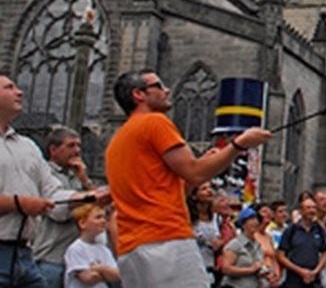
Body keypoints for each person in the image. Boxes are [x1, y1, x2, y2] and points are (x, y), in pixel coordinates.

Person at [105, 69, 271, 287]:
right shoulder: (154, 122)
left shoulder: (117, 142)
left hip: (132, 249)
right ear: (139, 94)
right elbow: (196, 172)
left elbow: (175, 188)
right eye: (159, 85)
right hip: (166, 241)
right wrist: (239, 145)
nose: (167, 90)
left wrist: (210, 160)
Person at [0, 75, 94, 287]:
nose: (20, 92)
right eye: (9, 87)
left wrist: (89, 196)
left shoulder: (27, 146)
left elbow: (52, 192)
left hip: (24, 254)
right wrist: (20, 203)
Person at [33, 126, 96, 288]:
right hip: (51, 258)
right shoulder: (45, 175)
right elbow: (59, 212)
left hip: (77, 260)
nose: (77, 151)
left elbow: (97, 209)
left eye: (79, 146)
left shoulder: (77, 175)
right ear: (53, 150)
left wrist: (85, 181)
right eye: (71, 145)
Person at [63, 203, 119, 288]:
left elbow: (117, 275)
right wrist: (107, 273)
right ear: (82, 223)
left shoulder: (104, 249)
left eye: (103, 217)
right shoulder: (76, 249)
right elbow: (88, 278)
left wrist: (99, 268)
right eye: (98, 217)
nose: (103, 221)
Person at [277, 197, 326, 287]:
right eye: (308, 208)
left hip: (313, 280)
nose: (312, 211)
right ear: (301, 210)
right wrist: (300, 271)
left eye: (314, 208)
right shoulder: (291, 230)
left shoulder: (319, 230)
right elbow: (280, 256)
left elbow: (325, 253)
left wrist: (315, 271)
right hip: (294, 280)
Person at [221, 207, 268, 288]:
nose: (255, 222)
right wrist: (250, 270)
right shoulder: (235, 244)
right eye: (251, 219)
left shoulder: (257, 245)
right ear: (243, 224)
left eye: (256, 219)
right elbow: (226, 268)